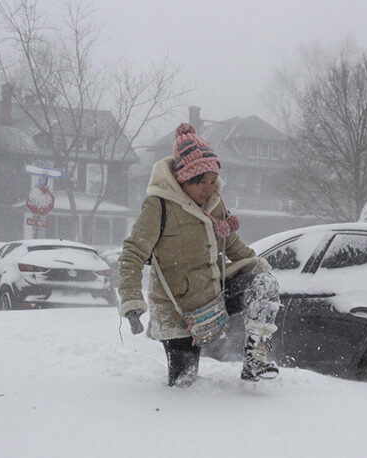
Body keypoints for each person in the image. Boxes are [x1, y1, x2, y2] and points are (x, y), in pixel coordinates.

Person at [117, 123, 281, 387]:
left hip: (214, 295)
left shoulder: (214, 205)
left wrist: (264, 271)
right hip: (178, 309)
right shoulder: (158, 205)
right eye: (201, 181)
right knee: (184, 384)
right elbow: (132, 253)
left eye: (212, 180)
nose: (208, 188)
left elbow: (234, 247)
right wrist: (132, 301)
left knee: (264, 284)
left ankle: (256, 359)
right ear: (184, 179)